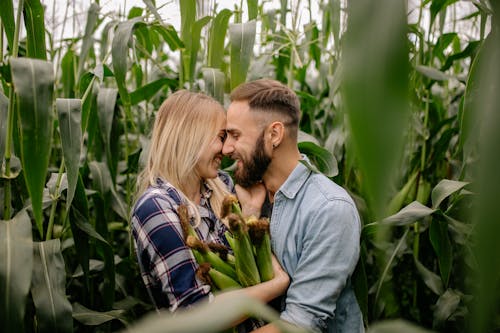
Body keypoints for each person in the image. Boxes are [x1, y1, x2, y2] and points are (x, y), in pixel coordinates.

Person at [130, 90, 289, 330]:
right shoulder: (156, 208)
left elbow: (247, 263)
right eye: (221, 137)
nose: (226, 149)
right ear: (190, 138)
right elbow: (195, 313)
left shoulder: (222, 186)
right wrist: (279, 284)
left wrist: (251, 211)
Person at [222, 79, 364, 333]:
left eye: (235, 135)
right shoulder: (249, 196)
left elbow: (300, 324)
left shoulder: (329, 209)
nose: (226, 148)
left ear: (274, 134)